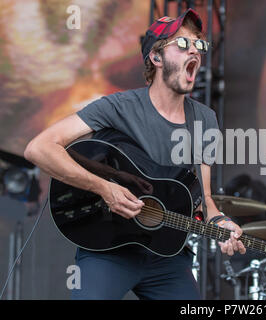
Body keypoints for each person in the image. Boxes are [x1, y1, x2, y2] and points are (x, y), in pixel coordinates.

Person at [24, 9, 246, 300]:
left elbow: (204, 200)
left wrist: (219, 222)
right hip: (109, 250)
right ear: (155, 58)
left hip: (167, 254)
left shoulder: (205, 119)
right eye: (182, 44)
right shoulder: (117, 106)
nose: (195, 50)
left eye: (199, 44)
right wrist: (105, 188)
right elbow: (39, 148)